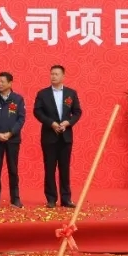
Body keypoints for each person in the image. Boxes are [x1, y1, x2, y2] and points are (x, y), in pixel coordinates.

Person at [33, 65, 82, 208]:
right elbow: (37, 112)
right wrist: (51, 123)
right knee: (49, 168)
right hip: (49, 136)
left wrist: (68, 122)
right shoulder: (43, 93)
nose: (53, 76)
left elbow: (77, 112)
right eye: (52, 74)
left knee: (65, 169)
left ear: (63, 76)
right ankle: (51, 199)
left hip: (66, 137)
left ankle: (66, 199)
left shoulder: (71, 93)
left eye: (56, 74)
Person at [0, 71, 26, 209]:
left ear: (10, 83)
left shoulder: (18, 99)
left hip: (12, 140)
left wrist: (10, 133)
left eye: (2, 81)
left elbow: (21, 119)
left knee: (13, 169)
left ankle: (15, 199)